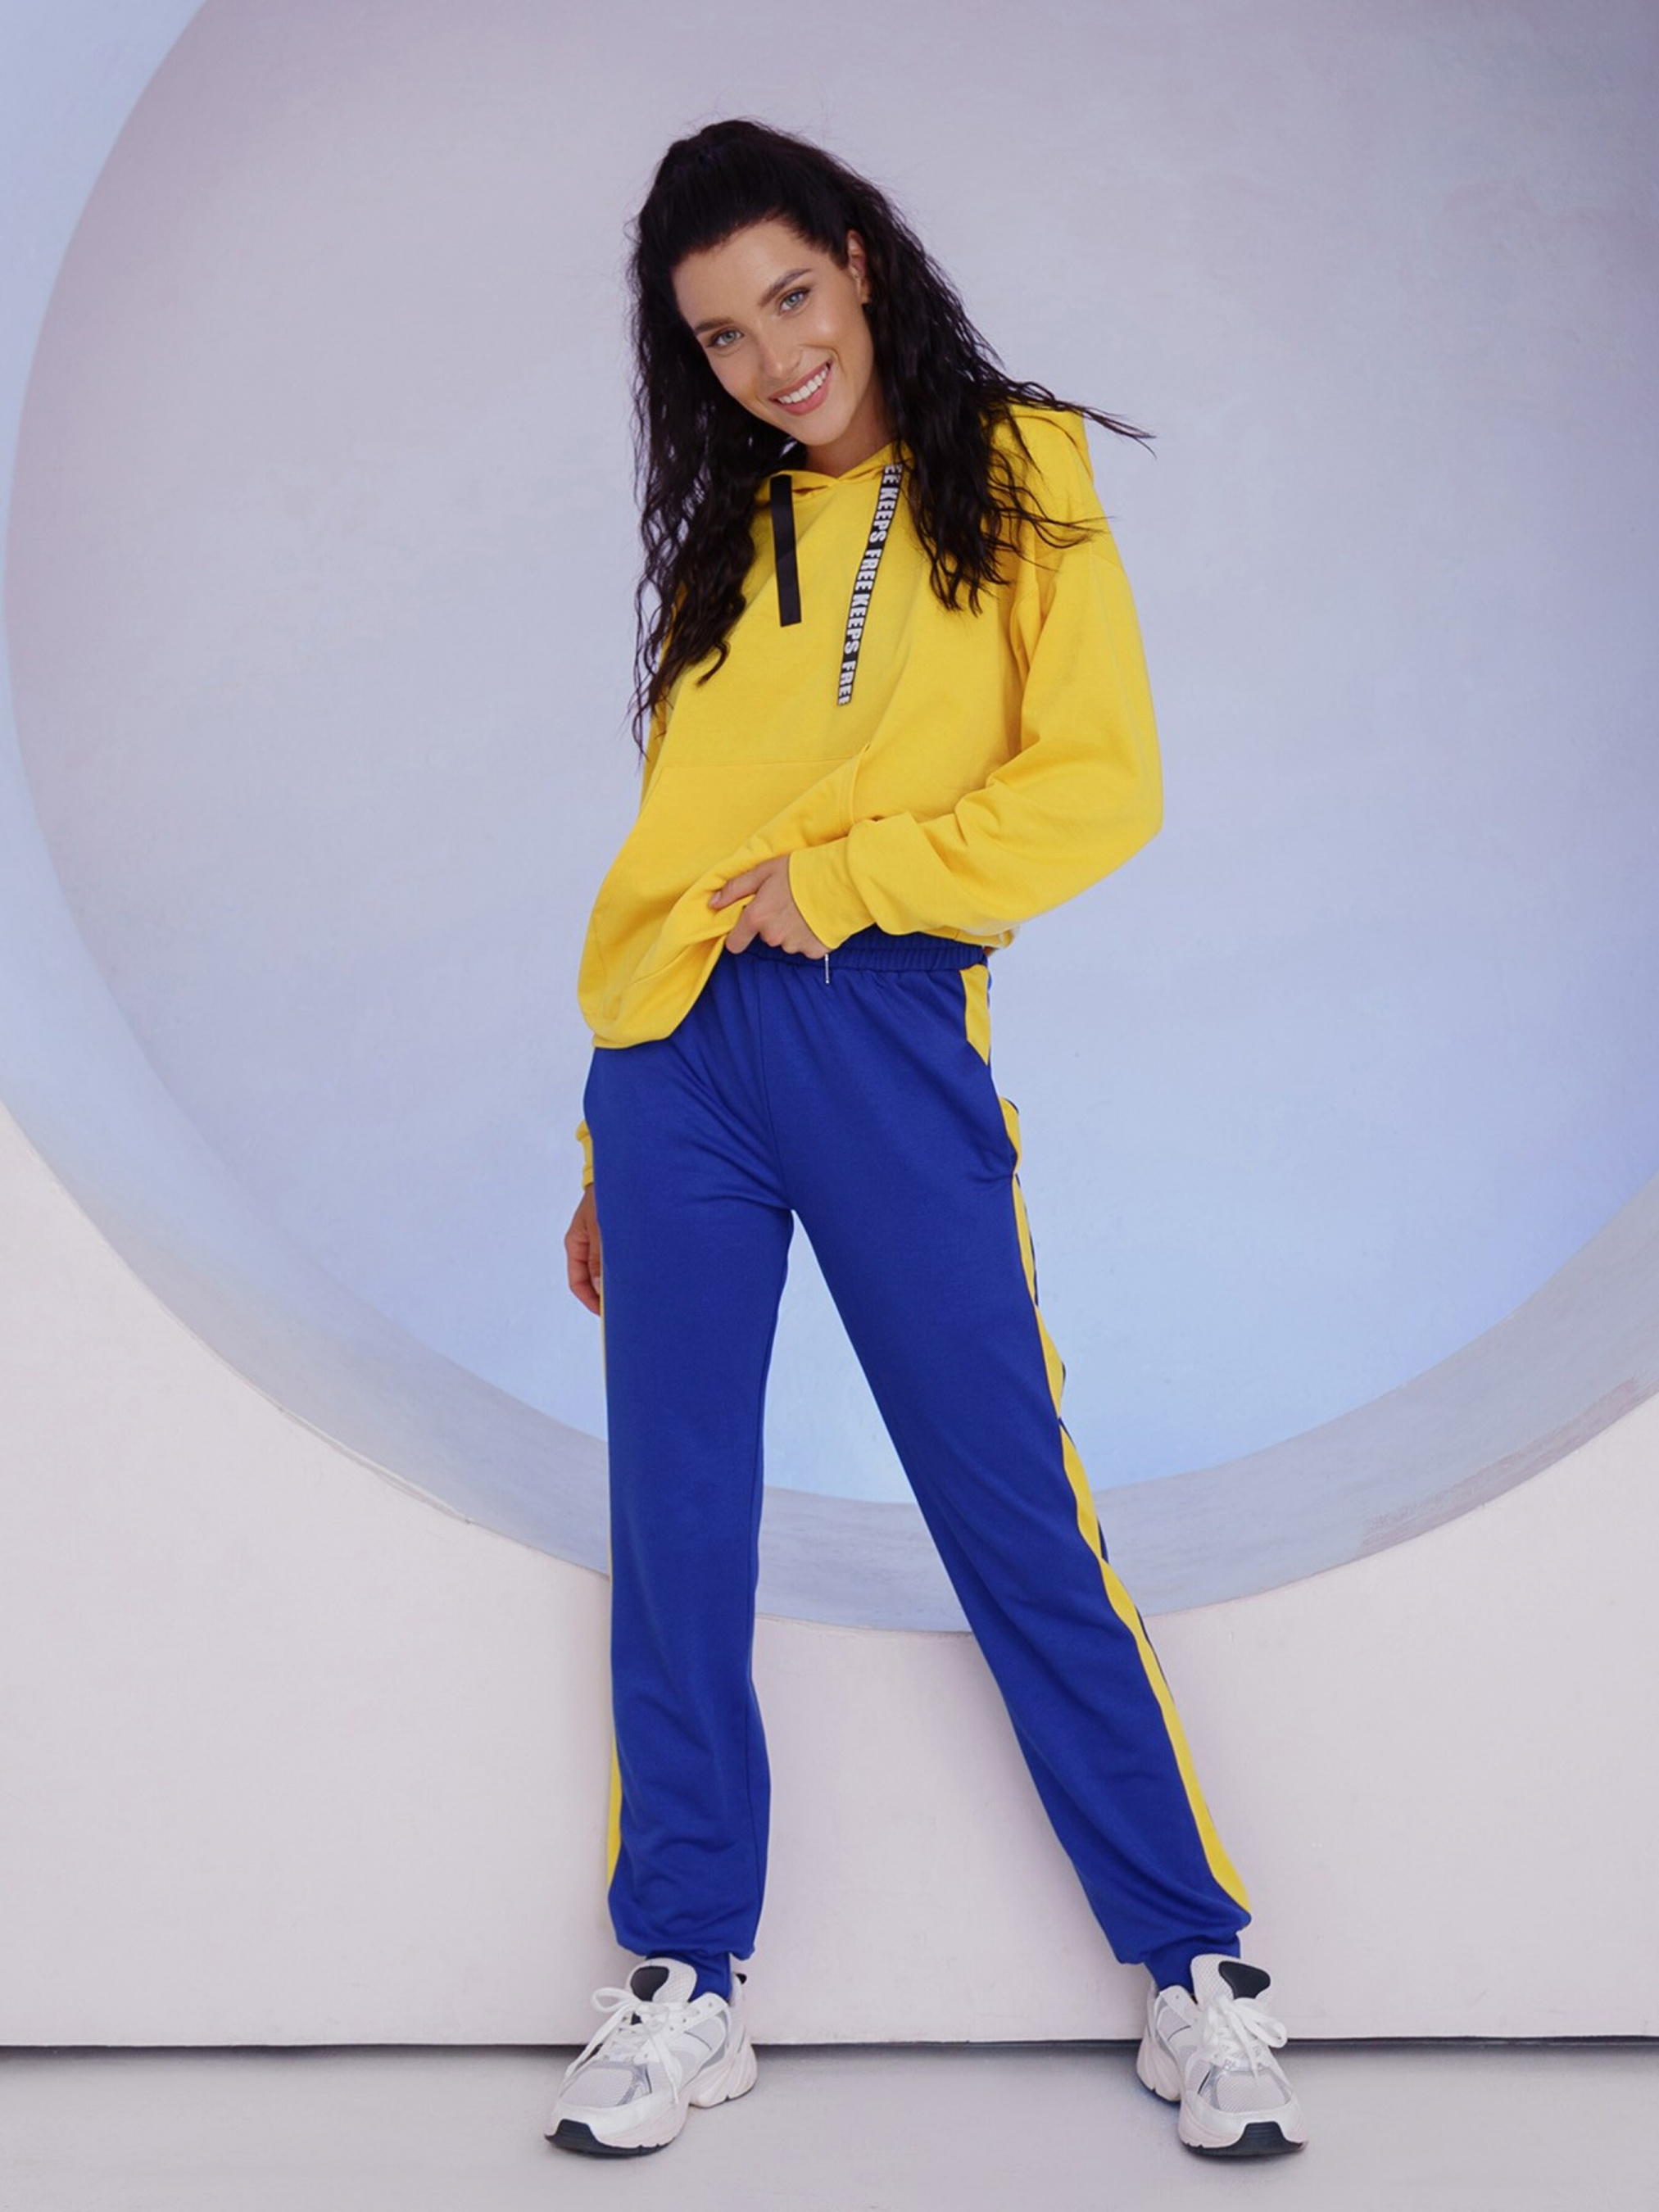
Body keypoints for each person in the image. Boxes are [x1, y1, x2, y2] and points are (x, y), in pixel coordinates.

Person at [546, 117, 1308, 2164]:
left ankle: (1192, 1963)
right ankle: (686, 1972)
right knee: (677, 1522)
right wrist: (603, 1143)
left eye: (790, 297)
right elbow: (669, 846)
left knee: (1005, 1502)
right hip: (670, 1064)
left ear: (861, 261)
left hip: (877, 1022)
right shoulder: (726, 542)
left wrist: (854, 878)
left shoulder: (1017, 471)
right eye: (720, 337)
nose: (771, 358)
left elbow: (1100, 784)